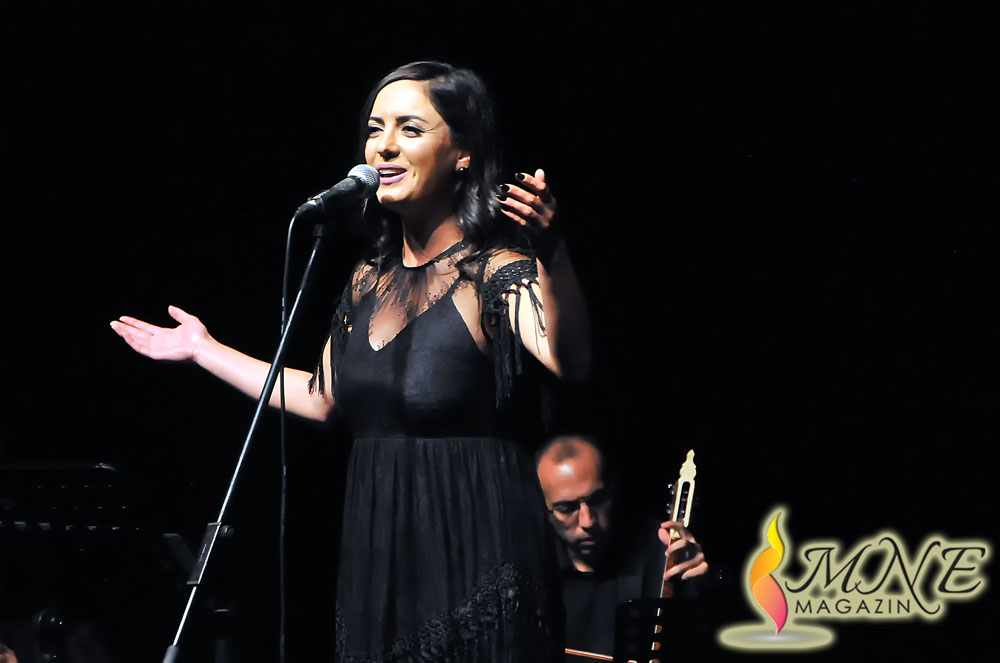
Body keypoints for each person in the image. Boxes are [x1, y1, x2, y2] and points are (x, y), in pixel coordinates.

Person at [110, 61, 590, 662]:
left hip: (476, 546)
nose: (384, 145)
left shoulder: (495, 269)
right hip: (380, 552)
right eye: (375, 128)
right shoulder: (369, 279)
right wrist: (203, 349)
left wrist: (552, 256)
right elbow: (321, 398)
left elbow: (567, 360)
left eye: (410, 129)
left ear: (463, 153)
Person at [535, 435, 708, 659]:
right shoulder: (530, 562)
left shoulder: (661, 549)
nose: (588, 522)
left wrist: (698, 582)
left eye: (598, 499)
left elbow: (701, 636)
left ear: (613, 490)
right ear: (543, 509)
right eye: (566, 508)